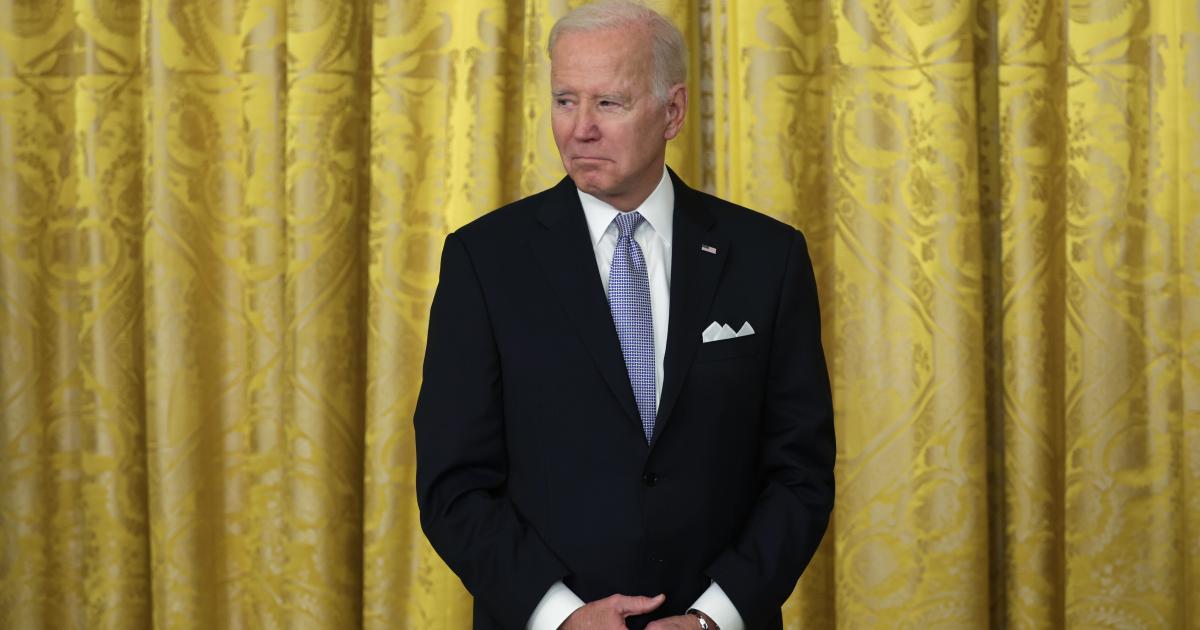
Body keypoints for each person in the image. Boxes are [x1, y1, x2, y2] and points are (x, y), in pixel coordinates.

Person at [413, 2, 834, 628]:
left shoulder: (768, 258)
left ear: (673, 111)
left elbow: (800, 473)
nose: (580, 128)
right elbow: (454, 484)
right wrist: (560, 614)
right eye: (565, 100)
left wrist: (713, 617)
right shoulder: (483, 260)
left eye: (608, 102)